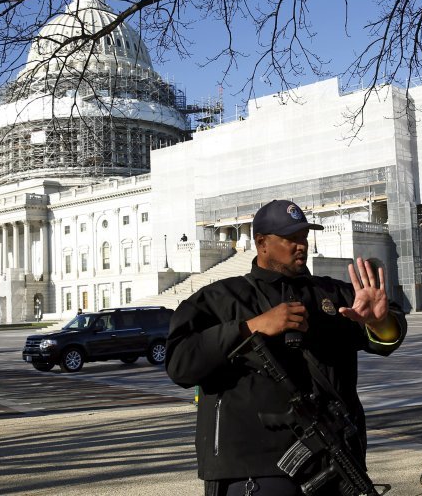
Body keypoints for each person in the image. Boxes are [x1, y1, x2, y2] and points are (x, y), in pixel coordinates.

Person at [165, 199, 407, 495]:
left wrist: (379, 323)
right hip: (253, 471)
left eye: (303, 237)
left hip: (334, 462)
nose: (300, 245)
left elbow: (388, 337)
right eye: (290, 238)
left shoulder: (332, 295)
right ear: (262, 243)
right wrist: (251, 327)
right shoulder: (221, 299)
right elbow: (180, 363)